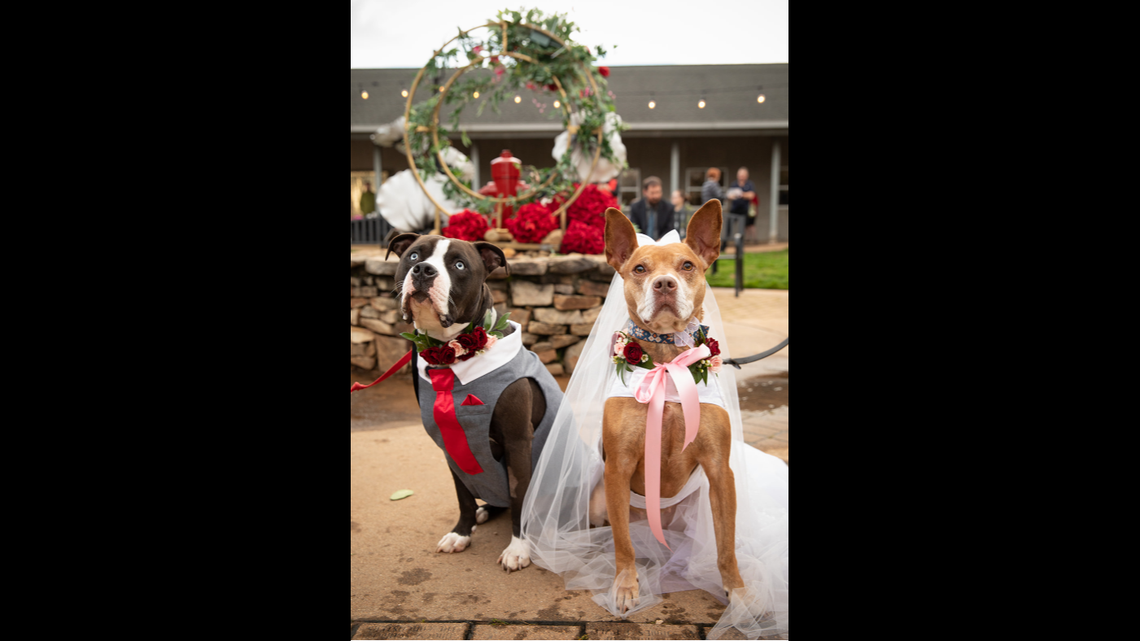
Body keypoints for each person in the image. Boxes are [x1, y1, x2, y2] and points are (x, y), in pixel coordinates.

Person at [628, 176, 675, 240]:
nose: (655, 196)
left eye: (658, 192)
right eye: (652, 193)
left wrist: (660, 240)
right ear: (645, 192)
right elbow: (635, 228)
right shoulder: (636, 207)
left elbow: (669, 229)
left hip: (662, 244)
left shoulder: (668, 207)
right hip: (642, 244)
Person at [727, 168, 756, 242]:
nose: (741, 177)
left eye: (743, 175)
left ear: (746, 176)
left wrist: (741, 194)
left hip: (744, 209)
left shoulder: (749, 184)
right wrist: (734, 195)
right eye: (740, 175)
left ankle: (740, 245)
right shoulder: (734, 184)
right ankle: (725, 244)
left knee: (743, 227)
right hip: (734, 208)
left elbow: (751, 195)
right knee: (729, 225)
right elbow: (729, 196)